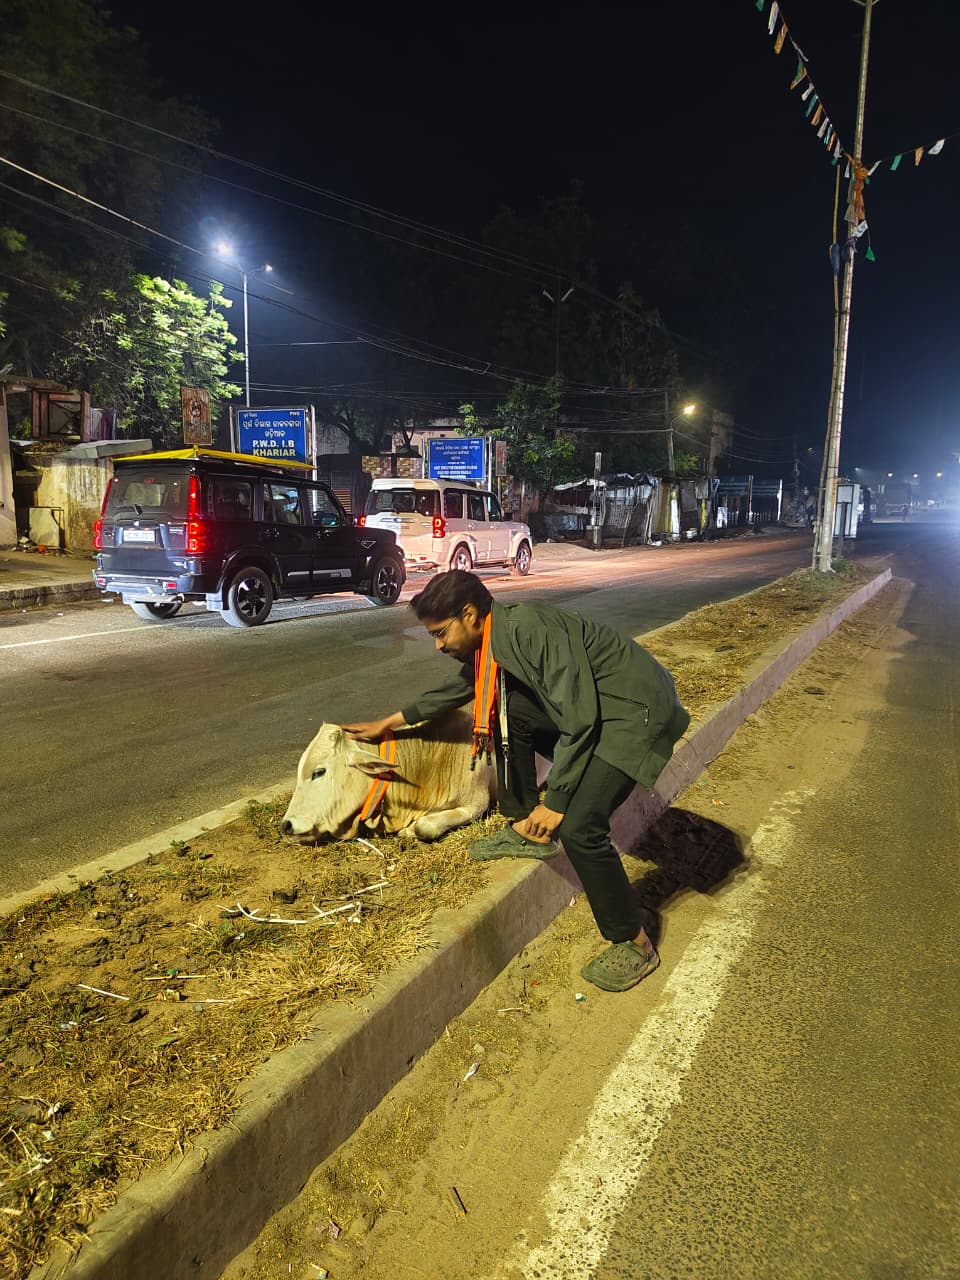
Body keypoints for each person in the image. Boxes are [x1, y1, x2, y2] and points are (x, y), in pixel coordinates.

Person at [343, 571, 690, 993]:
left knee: (581, 829)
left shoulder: (529, 630)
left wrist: (557, 801)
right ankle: (526, 825)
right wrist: (392, 722)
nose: (438, 645)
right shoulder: (498, 638)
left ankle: (635, 943)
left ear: (469, 615)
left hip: (636, 714)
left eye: (440, 633)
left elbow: (581, 720)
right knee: (510, 705)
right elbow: (461, 689)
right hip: (602, 711)